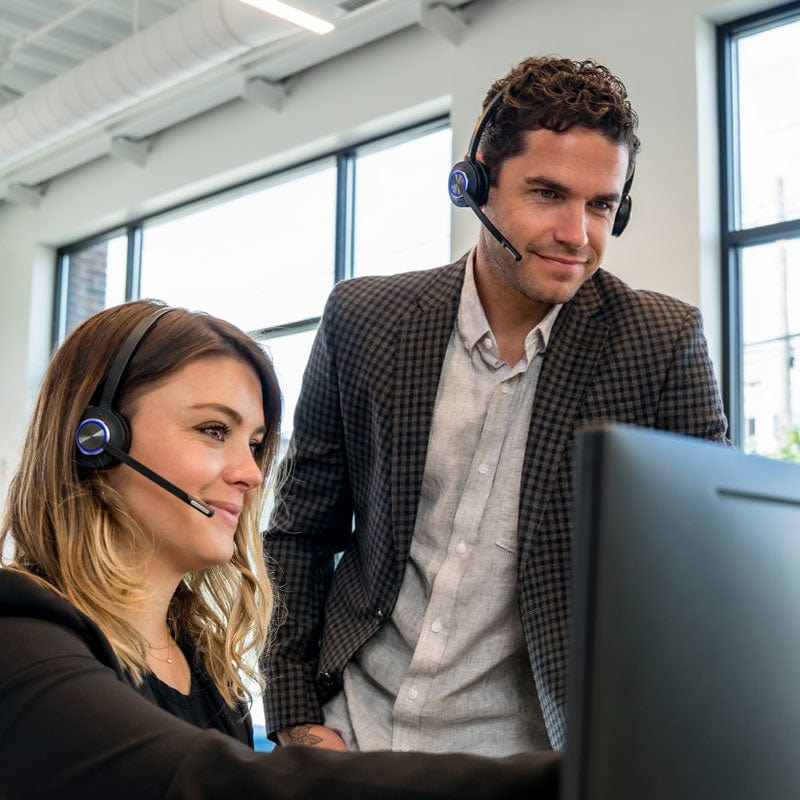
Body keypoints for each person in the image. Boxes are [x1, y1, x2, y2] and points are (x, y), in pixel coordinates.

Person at [263, 56, 729, 755]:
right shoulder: (365, 319)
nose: (578, 234)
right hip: (350, 739)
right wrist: (296, 714)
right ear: (474, 180)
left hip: (526, 765)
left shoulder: (659, 343)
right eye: (548, 194)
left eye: (602, 205)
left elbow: (705, 573)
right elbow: (301, 533)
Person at [0, 299, 560, 799]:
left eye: (256, 444)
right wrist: (573, 779)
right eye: (214, 430)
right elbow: (204, 779)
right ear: (99, 438)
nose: (249, 474)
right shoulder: (21, 633)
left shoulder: (207, 672)